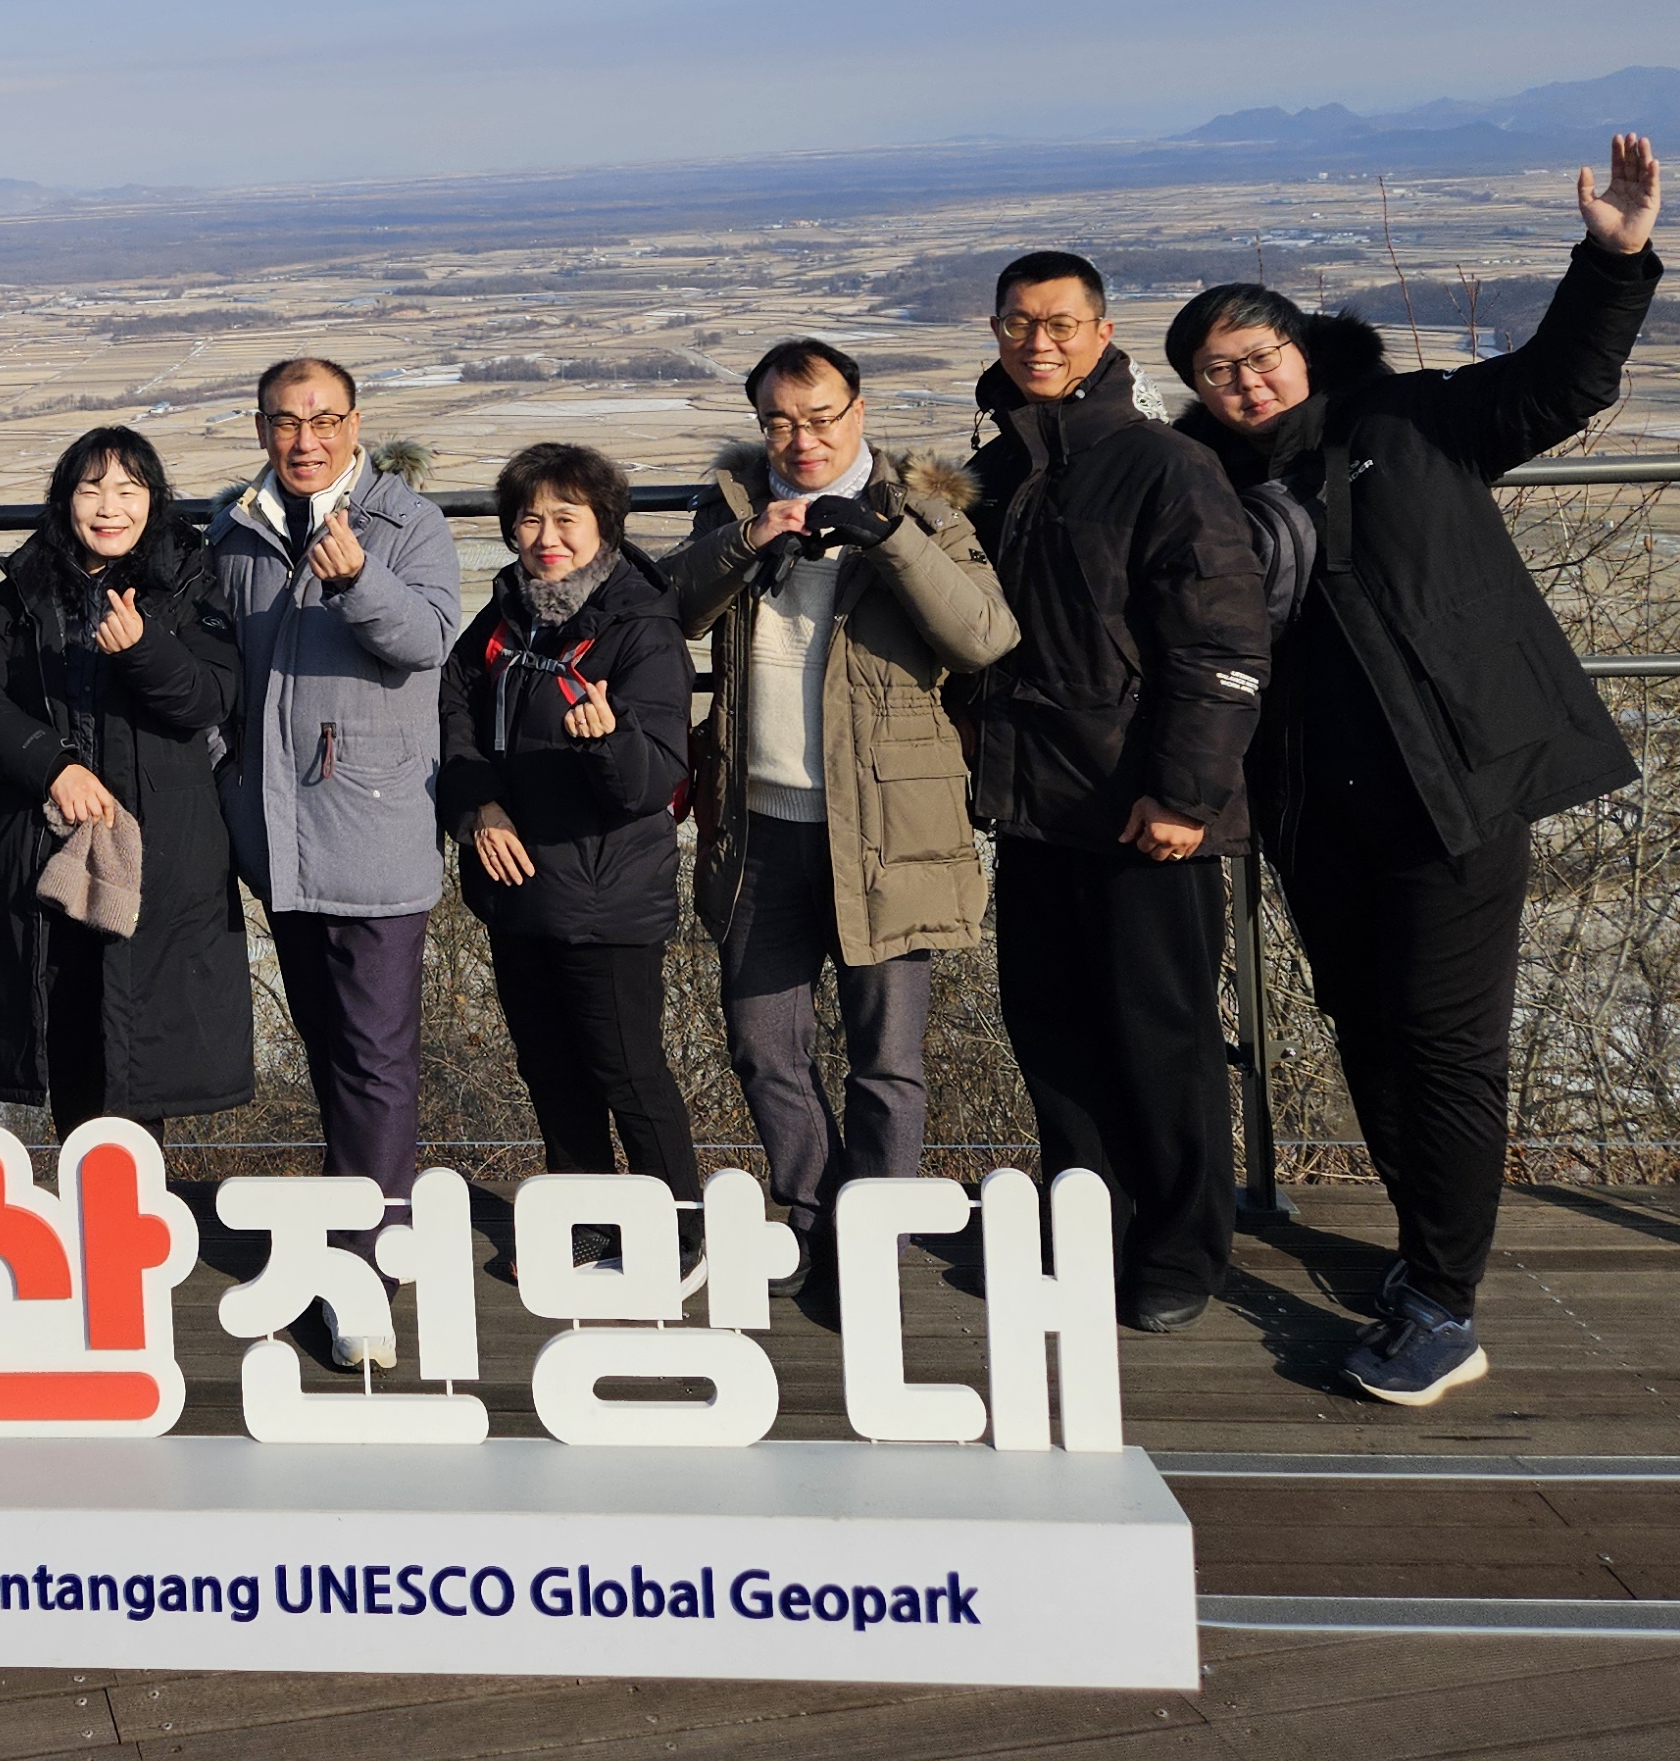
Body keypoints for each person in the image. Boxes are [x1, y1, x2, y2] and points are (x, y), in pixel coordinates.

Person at [1167, 135, 1668, 1407]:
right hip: (1309, 808)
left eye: (1259, 355)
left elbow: (1558, 386)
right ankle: (1421, 1253)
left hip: (1450, 790)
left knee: (1443, 1045)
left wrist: (1612, 262)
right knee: (1370, 1036)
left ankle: (1444, 1302)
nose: (1245, 381)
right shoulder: (1202, 491)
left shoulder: (1405, 421)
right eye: (1216, 371)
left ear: (1301, 350)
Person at [668, 339, 1018, 1290]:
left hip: (887, 830)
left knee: (887, 1056)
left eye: (821, 418)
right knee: (763, 1046)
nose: (803, 439)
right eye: (780, 421)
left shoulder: (923, 509)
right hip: (758, 821)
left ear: (859, 412)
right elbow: (668, 612)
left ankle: (880, 1244)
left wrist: (888, 538)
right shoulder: (732, 509)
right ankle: (813, 1218)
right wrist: (748, 541)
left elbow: (984, 636)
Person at [965, 248, 1271, 1332]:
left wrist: (1185, 793)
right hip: (1035, 803)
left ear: (1102, 333)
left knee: (1161, 1034)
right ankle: (1089, 1230)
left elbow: (1221, 643)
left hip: (1144, 811)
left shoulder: (1162, 466)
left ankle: (1182, 1249)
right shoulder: (996, 472)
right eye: (1018, 323)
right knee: (1050, 1031)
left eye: (1059, 323)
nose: (1037, 342)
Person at [210, 356, 464, 1357]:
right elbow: (224, 672)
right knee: (330, 1049)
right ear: (261, 429)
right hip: (279, 835)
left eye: (323, 420)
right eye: (285, 421)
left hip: (374, 828)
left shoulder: (409, 524)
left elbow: (428, 640)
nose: (305, 440)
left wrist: (358, 579)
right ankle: (357, 1225)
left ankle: (364, 1274)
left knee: (376, 1060)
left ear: (356, 424)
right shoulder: (238, 530)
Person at [0, 426, 253, 1139]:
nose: (109, 507)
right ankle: (85, 1193)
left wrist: (145, 648)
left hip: (161, 852)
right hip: (46, 845)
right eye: (91, 489)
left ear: (154, 499)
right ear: (66, 500)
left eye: (128, 489)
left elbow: (210, 697)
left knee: (140, 1044)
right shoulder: (27, 587)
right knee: (68, 1028)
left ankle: (136, 1200)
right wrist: (53, 766)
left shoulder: (189, 579)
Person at [441, 441, 700, 1204]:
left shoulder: (640, 627)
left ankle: (681, 1231)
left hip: (606, 899)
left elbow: (651, 782)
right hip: (517, 889)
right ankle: (585, 1227)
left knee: (628, 1072)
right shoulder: (506, 616)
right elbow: (453, 706)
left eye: (566, 518)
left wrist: (608, 739)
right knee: (550, 1070)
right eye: (529, 520)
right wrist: (478, 804)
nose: (546, 537)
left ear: (605, 525)